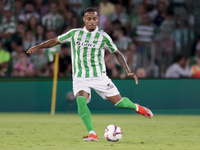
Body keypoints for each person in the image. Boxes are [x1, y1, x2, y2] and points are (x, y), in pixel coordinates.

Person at [27, 7, 153, 141]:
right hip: (80, 77)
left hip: (100, 77)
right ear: (84, 20)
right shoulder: (74, 34)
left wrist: (128, 70)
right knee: (80, 99)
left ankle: (137, 108)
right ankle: (92, 133)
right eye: (89, 19)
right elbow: (55, 41)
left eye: (94, 19)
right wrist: (38, 46)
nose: (92, 21)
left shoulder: (103, 36)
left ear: (98, 19)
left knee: (119, 103)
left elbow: (117, 53)